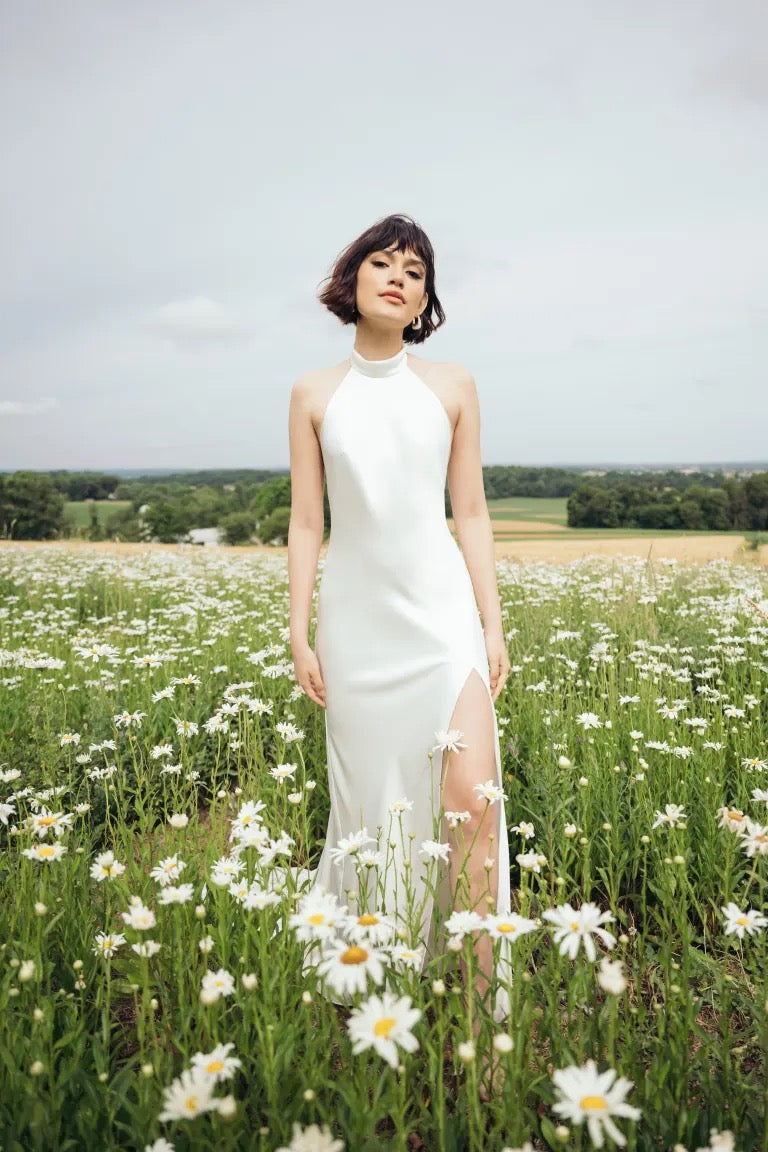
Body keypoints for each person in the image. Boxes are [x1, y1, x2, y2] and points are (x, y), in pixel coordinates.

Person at [287, 212, 512, 1063]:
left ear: (425, 298)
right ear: (351, 281)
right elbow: (308, 521)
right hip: (355, 626)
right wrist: (298, 630)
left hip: (440, 616)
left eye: (415, 271)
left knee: (470, 802)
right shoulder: (313, 392)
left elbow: (474, 511)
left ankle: (488, 1022)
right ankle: (378, 984)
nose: (398, 277)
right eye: (382, 262)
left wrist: (492, 624)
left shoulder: (452, 383)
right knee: (374, 812)